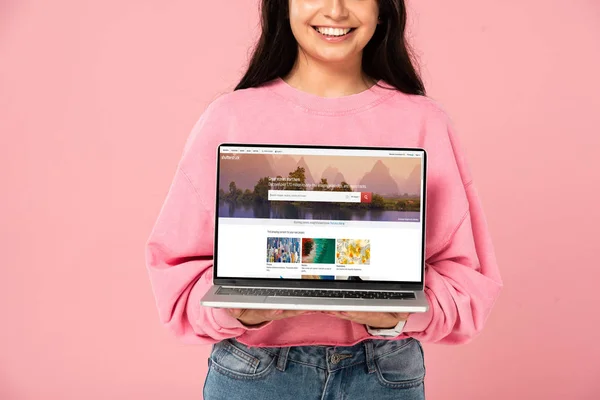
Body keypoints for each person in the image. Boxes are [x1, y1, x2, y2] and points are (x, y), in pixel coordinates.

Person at [145, 0, 503, 399]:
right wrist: (232, 309)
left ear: (384, 8)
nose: (335, 10)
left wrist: (402, 311)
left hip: (384, 373)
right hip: (252, 374)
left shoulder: (424, 122)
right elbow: (174, 273)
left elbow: (467, 282)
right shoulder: (229, 118)